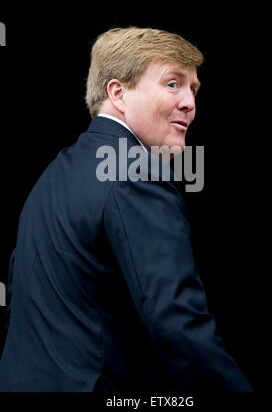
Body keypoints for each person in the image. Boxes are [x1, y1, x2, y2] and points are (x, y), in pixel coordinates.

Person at [0, 27, 253, 392]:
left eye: (193, 88)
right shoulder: (135, 171)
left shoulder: (53, 175)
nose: (190, 103)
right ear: (117, 92)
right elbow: (176, 321)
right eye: (172, 83)